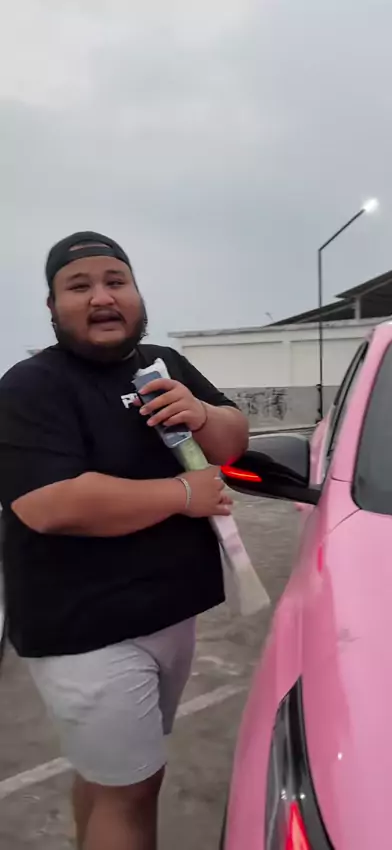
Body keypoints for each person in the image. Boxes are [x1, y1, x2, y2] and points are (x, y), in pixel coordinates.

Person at [0, 232, 249, 850]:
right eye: (78, 286)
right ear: (52, 307)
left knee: (110, 777)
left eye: (116, 281)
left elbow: (233, 440)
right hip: (87, 630)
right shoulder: (31, 385)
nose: (101, 297)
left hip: (170, 613)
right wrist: (183, 494)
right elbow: (48, 503)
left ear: (137, 294)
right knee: (132, 790)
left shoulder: (163, 365)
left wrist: (202, 414)